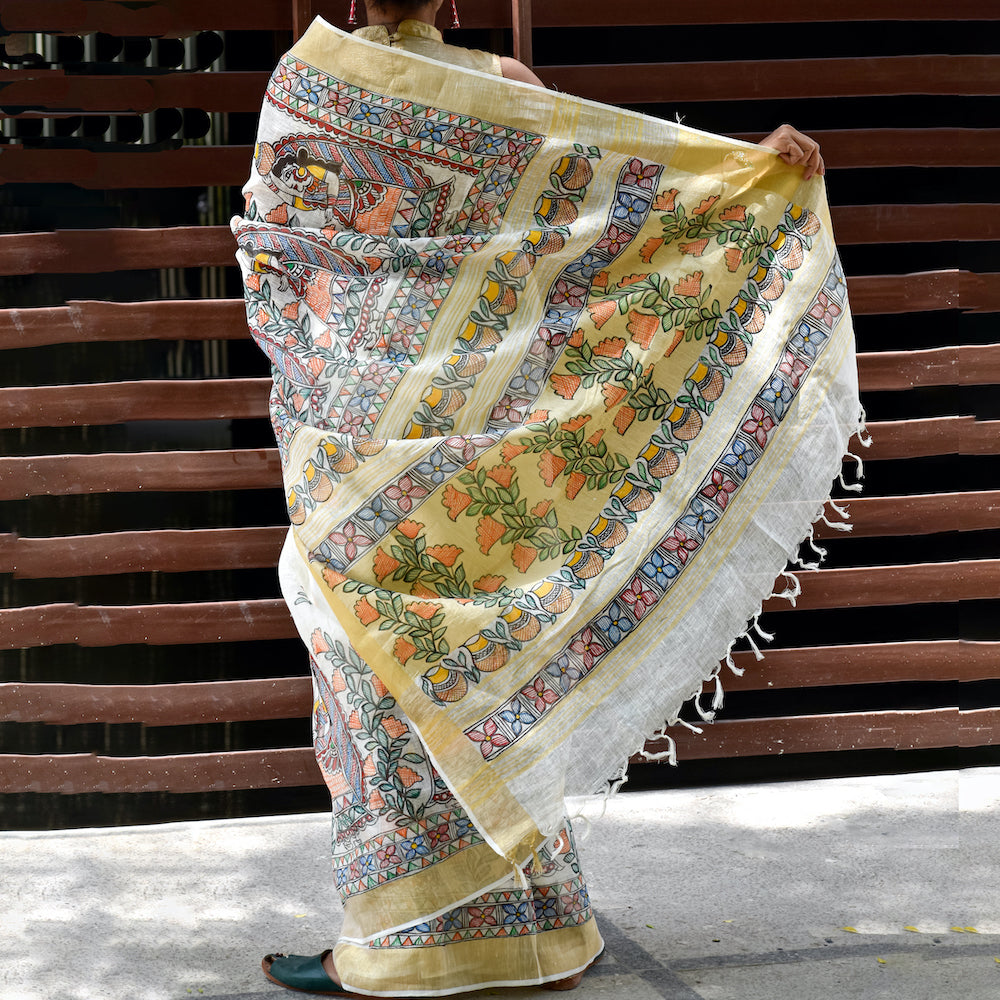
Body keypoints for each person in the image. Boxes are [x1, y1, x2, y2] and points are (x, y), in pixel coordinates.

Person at [234, 2, 856, 995]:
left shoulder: (315, 88)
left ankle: (405, 949)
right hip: (455, 437)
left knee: (382, 678)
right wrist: (750, 172)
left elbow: (279, 266)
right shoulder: (487, 88)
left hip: (369, 442)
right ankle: (533, 934)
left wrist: (749, 170)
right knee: (469, 673)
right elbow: (596, 219)